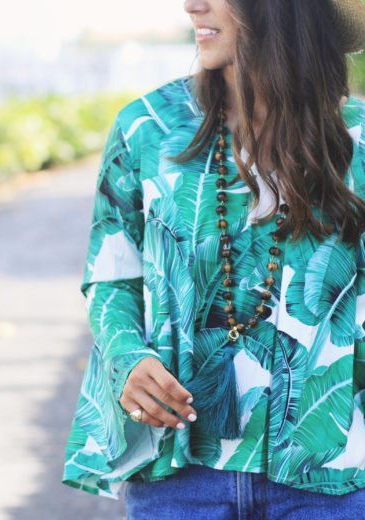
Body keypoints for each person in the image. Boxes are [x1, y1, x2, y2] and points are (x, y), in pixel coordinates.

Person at [62, 0, 365, 518]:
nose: (191, 4)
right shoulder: (146, 128)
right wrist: (127, 359)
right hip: (179, 478)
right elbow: (112, 278)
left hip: (333, 475)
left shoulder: (357, 139)